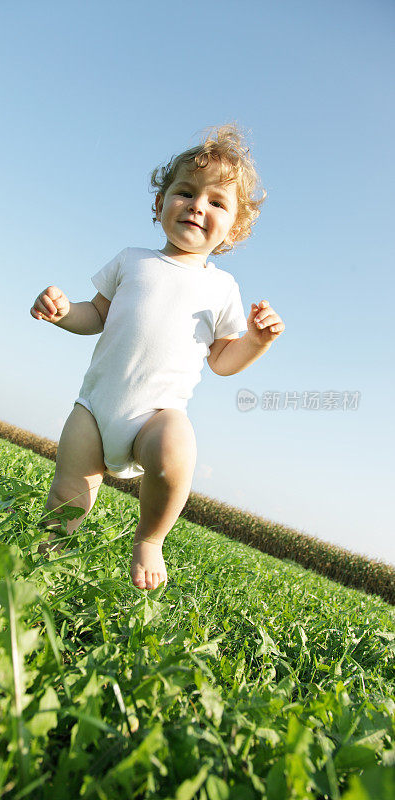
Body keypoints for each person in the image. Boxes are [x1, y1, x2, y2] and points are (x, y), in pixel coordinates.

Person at [30, 123, 284, 591]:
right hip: (95, 408)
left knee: (176, 452)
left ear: (235, 228)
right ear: (159, 203)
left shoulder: (221, 288)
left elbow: (222, 360)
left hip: (155, 417)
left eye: (216, 202)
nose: (196, 206)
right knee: (68, 494)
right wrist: (64, 312)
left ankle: (149, 539)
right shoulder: (132, 260)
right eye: (185, 192)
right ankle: (46, 558)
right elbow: (95, 314)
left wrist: (256, 341)